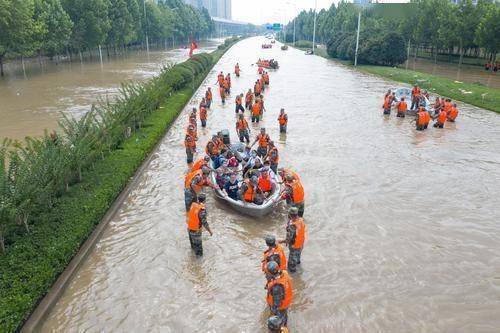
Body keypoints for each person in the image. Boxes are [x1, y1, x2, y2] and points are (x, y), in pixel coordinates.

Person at [265, 261, 293, 327]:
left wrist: (273, 313)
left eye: (266, 273)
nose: (265, 274)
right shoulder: (284, 273)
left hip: (281, 307)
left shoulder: (276, 287)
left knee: (279, 322)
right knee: (284, 316)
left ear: (271, 274)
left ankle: (282, 327)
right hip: (285, 302)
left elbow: (277, 304)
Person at [280, 207, 305, 273]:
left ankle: (294, 276)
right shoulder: (301, 220)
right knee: (297, 258)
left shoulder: (292, 226)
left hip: (294, 246)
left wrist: (280, 241)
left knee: (291, 264)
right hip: (301, 243)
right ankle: (298, 264)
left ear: (290, 215)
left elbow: (288, 239)